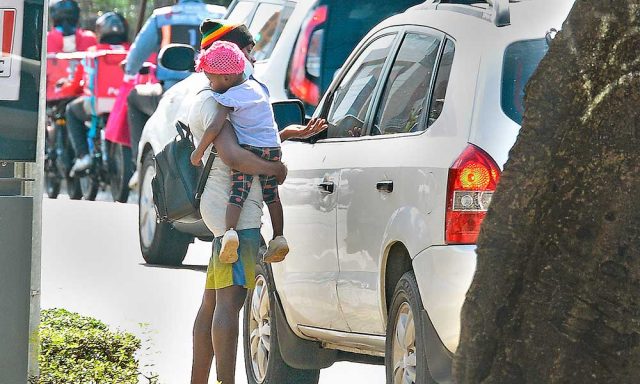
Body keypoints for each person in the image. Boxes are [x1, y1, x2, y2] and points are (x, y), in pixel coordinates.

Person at [188, 20, 327, 384]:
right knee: (230, 304)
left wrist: (285, 135)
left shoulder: (226, 93)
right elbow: (234, 156)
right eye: (247, 50)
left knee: (212, 303)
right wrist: (275, 167)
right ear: (229, 57)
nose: (252, 57)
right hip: (237, 216)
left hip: (227, 214)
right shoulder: (215, 100)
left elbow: (248, 141)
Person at [190, 41, 288, 265]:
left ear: (225, 78)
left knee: (237, 194)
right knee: (272, 196)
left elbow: (215, 128)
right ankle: (279, 237)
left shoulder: (228, 96)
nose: (210, 85)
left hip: (249, 150)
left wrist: (198, 151)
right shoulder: (259, 89)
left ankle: (231, 233)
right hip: (273, 148)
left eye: (211, 80)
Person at [124, 0, 226, 189]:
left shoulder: (162, 17)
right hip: (215, 89)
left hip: (172, 91)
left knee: (134, 98)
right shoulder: (223, 16)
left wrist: (129, 68)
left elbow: (133, 61)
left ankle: (139, 167)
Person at [65, 12, 130, 173]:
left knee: (71, 110)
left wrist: (68, 89)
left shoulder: (92, 52)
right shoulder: (132, 51)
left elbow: (79, 83)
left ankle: (83, 156)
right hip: (126, 104)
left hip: (98, 105)